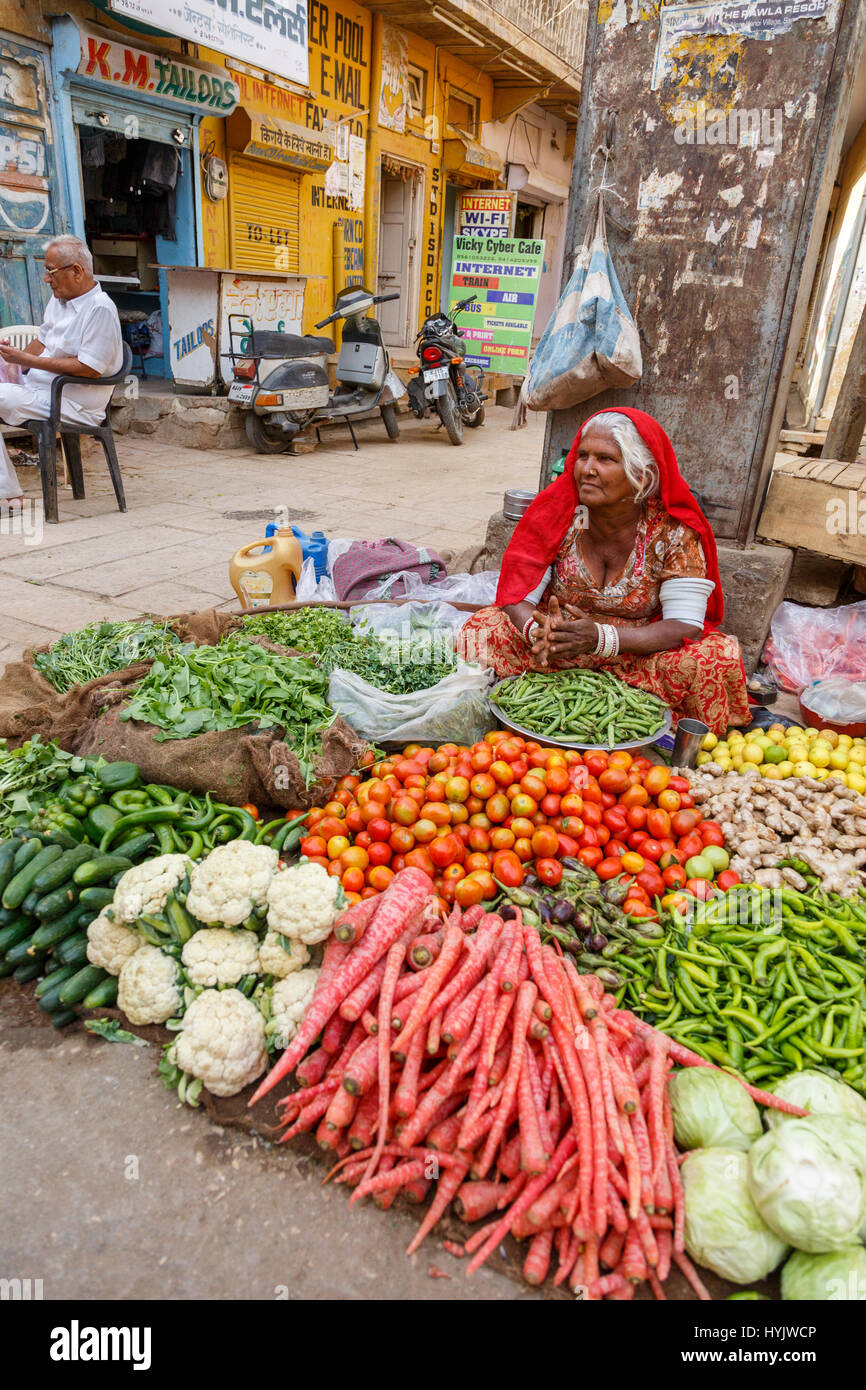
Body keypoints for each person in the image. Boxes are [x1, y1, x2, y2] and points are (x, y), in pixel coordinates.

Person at [457, 407, 750, 735]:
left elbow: (685, 624)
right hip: (558, 648)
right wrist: (537, 632)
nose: (588, 469)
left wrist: (603, 639)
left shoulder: (670, 531)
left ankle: (667, 731)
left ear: (641, 473)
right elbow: (517, 596)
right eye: (583, 456)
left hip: (635, 653)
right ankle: (511, 708)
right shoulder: (566, 515)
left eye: (606, 459)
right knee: (483, 628)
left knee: (715, 657)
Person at [0, 235, 123, 507]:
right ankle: (6, 491)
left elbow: (89, 368)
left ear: (77, 271)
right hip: (41, 390)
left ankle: (8, 495)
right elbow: (42, 341)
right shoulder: (60, 300)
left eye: (50, 271)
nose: (46, 279)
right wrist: (12, 361)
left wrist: (27, 361)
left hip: (72, 402)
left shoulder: (100, 308)